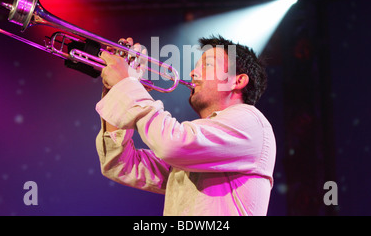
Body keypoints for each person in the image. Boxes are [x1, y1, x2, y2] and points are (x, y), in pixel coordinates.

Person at [95, 35, 276, 216]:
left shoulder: (250, 121)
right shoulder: (200, 149)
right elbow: (122, 165)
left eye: (207, 65)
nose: (192, 73)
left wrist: (127, 84)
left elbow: (171, 144)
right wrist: (117, 89)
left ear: (237, 81)